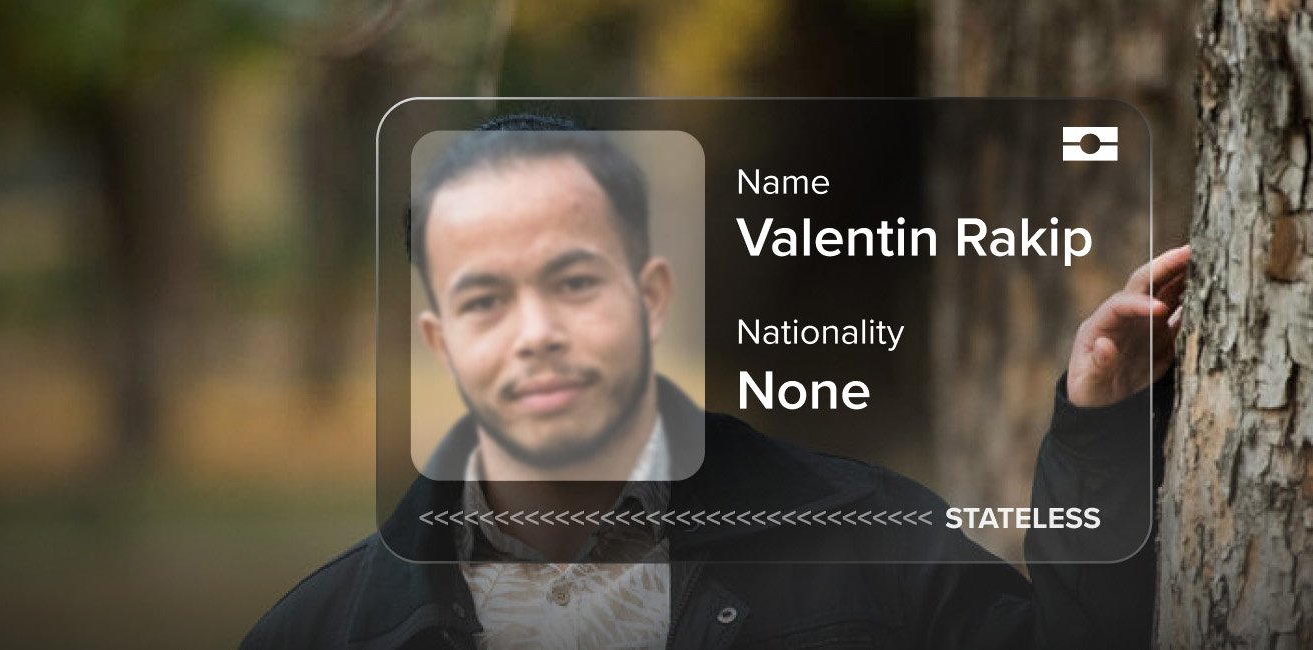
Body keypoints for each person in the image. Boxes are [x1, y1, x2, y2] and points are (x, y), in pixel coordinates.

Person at [244, 116, 1186, 649]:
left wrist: (1101, 436)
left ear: (652, 296)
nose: (536, 333)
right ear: (440, 341)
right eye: (485, 299)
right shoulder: (318, 633)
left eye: (574, 281)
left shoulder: (874, 546)